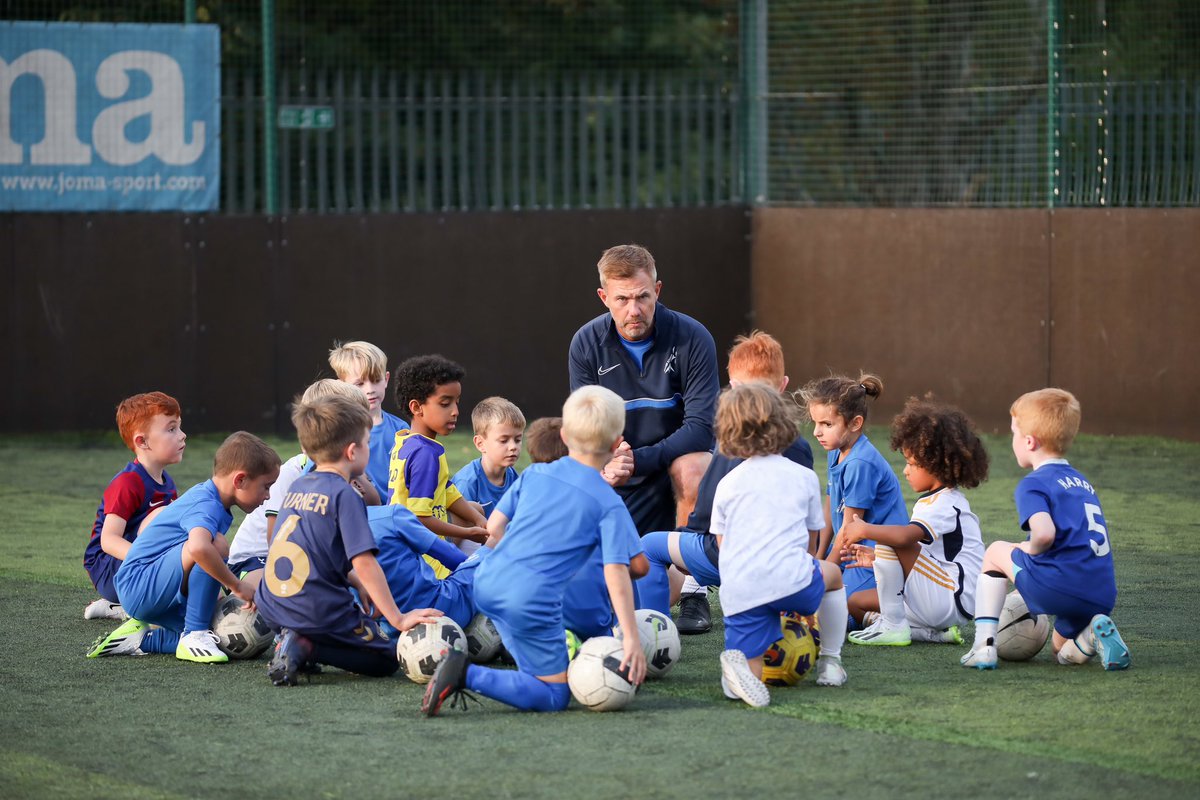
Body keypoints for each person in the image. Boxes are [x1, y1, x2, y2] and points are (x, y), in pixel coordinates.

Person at [421, 386, 646, 715]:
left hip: (486, 581)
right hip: (529, 599)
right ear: (616, 444)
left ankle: (538, 659)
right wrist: (632, 639)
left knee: (533, 664)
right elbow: (624, 570)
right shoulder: (608, 502)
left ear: (565, 435)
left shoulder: (535, 473)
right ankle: (465, 672)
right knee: (554, 696)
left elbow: (493, 528)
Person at [568, 243, 720, 633]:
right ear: (604, 298)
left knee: (694, 467)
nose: (633, 310)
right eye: (622, 299)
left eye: (642, 297)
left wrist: (639, 458)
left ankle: (694, 592)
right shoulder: (585, 343)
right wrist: (608, 461)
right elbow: (588, 427)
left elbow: (702, 428)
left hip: (671, 469)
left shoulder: (692, 337)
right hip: (619, 475)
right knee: (614, 591)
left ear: (658, 291)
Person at [258, 393, 443, 685]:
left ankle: (291, 638)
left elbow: (315, 549)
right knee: (384, 660)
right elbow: (365, 562)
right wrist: (398, 619)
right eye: (368, 443)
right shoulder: (345, 494)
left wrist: (355, 582)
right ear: (352, 452)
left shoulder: (299, 486)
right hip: (315, 609)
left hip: (271, 603)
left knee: (331, 619)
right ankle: (307, 645)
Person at [638, 331, 813, 618]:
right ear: (783, 386)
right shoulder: (799, 446)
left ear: (733, 387)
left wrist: (688, 538)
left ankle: (654, 626)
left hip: (726, 558)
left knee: (649, 546)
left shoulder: (729, 441)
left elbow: (705, 514)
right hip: (783, 563)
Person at [961, 388, 1131, 671]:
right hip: (1099, 594)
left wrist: (1028, 547)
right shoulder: (1082, 482)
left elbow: (1044, 534)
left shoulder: (1034, 483)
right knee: (1060, 651)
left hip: (1058, 587)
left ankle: (983, 646)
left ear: (1029, 441)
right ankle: (1090, 636)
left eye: (1013, 433)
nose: (1012, 440)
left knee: (994, 552)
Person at [87, 432, 280, 663]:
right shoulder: (207, 504)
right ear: (239, 480)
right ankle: (194, 634)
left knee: (220, 636)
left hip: (153, 587)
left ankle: (140, 639)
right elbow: (198, 548)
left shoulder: (212, 499)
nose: (268, 496)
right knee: (215, 546)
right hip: (137, 584)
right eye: (266, 487)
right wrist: (236, 585)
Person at [712, 383, 849, 708]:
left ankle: (739, 673)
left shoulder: (727, 483)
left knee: (752, 672)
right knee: (832, 575)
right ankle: (831, 662)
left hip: (740, 590)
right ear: (783, 423)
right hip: (790, 579)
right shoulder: (802, 476)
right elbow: (811, 542)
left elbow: (723, 546)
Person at [839, 397, 989, 647]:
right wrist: (878, 558)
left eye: (912, 463)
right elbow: (927, 555)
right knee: (855, 602)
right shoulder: (932, 501)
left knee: (891, 537)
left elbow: (904, 539)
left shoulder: (945, 502)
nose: (906, 471)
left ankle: (893, 626)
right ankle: (928, 634)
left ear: (938, 464)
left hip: (952, 597)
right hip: (936, 597)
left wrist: (865, 529)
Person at [227, 380, 380, 585]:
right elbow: (275, 541)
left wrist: (356, 476)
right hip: (257, 559)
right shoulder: (291, 475)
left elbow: (374, 504)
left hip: (305, 557)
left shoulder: (346, 467)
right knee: (280, 594)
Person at [523, 416, 649, 639]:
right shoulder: (606, 500)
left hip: (530, 610)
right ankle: (630, 630)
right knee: (624, 564)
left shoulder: (527, 488)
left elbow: (495, 528)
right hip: (591, 621)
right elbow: (639, 567)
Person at [799, 373, 908, 607]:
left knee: (833, 605)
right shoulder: (834, 451)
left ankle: (900, 609)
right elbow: (829, 509)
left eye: (826, 424)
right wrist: (819, 558)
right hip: (848, 548)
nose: (817, 432)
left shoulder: (860, 463)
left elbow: (851, 529)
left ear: (855, 423)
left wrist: (824, 573)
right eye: (815, 423)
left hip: (872, 557)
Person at [82, 392, 186, 621]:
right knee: (163, 516)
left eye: (179, 427)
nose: (182, 435)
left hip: (137, 563)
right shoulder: (127, 482)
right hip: (110, 570)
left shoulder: (167, 482)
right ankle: (130, 602)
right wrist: (149, 559)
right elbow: (108, 540)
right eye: (171, 429)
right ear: (142, 441)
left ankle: (119, 605)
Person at [389, 354, 489, 577]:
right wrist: (468, 532)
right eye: (445, 403)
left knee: (476, 509)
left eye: (457, 402)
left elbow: (445, 489)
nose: (455, 411)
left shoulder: (406, 438)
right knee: (484, 578)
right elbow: (420, 519)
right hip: (421, 562)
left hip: (407, 544)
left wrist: (477, 519)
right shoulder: (425, 453)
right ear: (417, 407)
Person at [329, 340, 409, 503]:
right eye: (359, 383)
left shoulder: (401, 429)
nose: (370, 389)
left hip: (397, 515)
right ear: (341, 385)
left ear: (386, 379)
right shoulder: (336, 432)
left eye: (376, 380)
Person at [451, 396, 526, 554]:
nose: (513, 447)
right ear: (480, 443)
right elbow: (455, 537)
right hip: (470, 553)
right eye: (504, 440)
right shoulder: (467, 482)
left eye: (518, 439)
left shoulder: (512, 476)